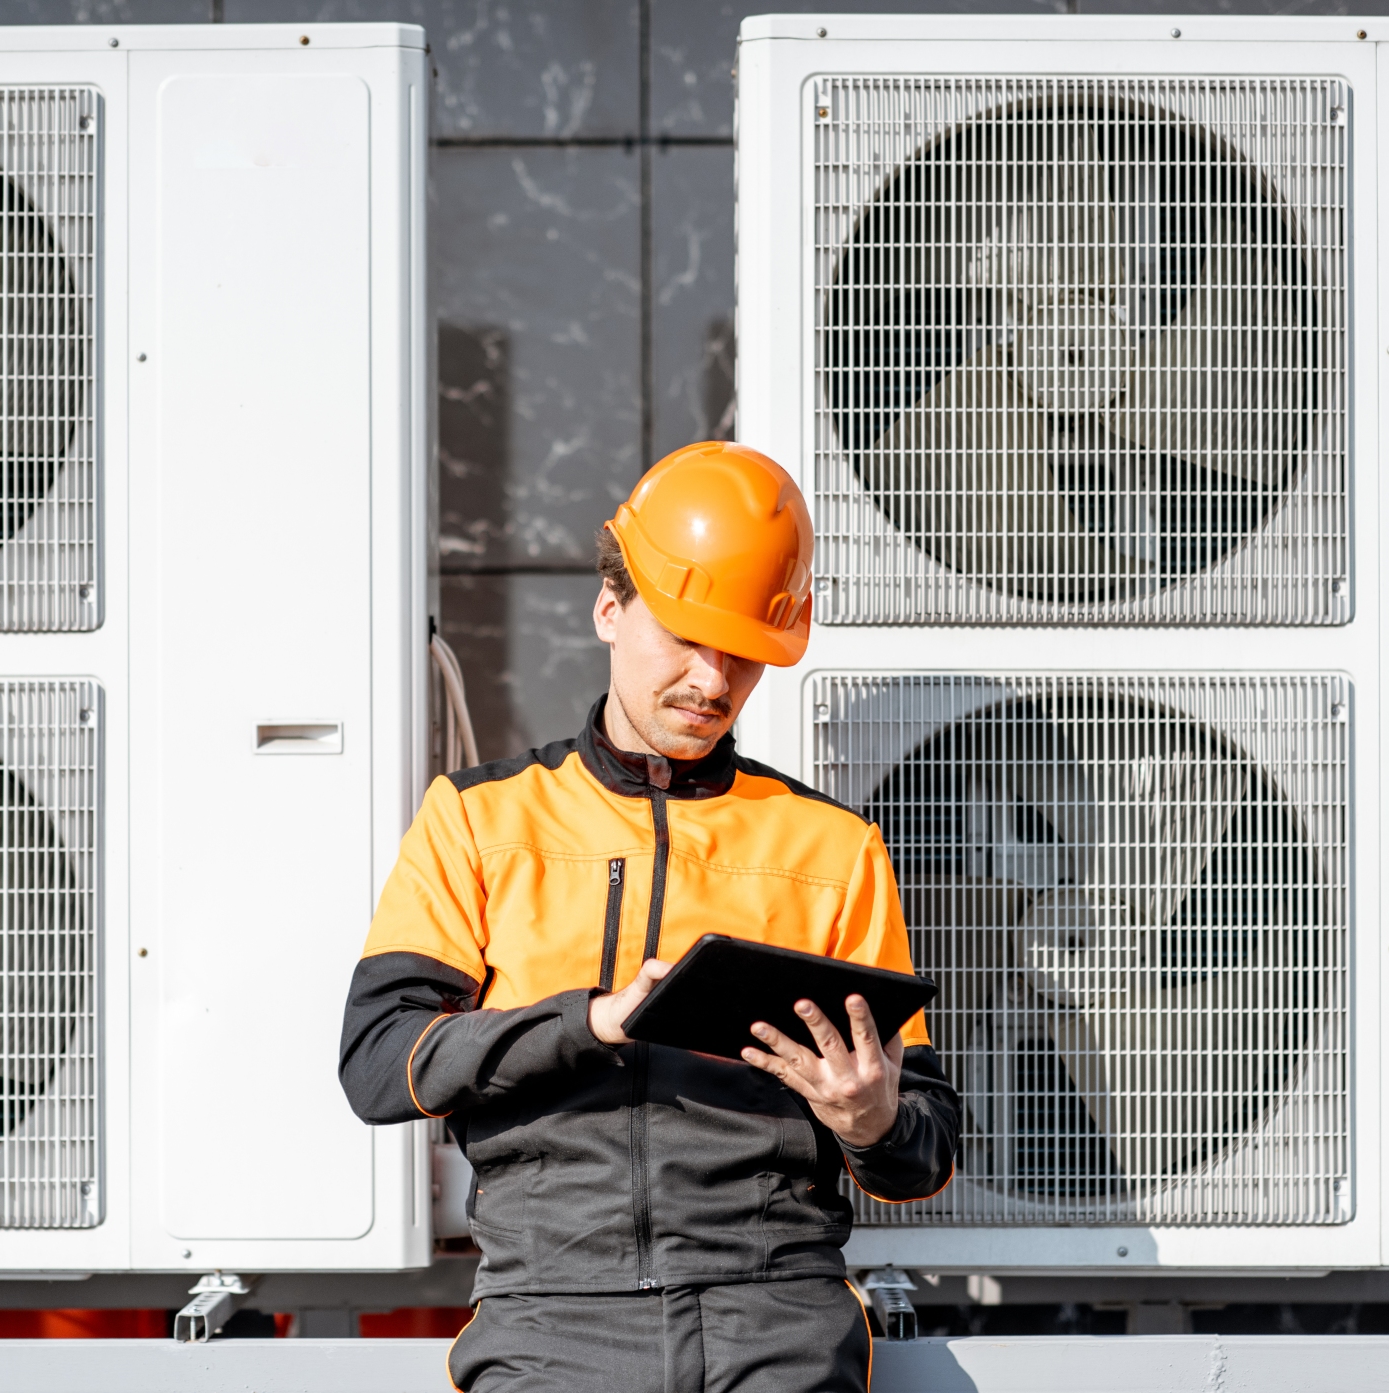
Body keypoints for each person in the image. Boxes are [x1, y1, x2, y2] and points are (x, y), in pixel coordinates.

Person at [339, 442, 961, 1392]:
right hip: (552, 1320)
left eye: (743, 652)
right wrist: (587, 1021)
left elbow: (920, 1154)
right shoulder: (477, 819)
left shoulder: (833, 848)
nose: (713, 682)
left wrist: (873, 1119)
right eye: (685, 637)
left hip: (778, 1323)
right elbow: (380, 1063)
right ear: (608, 608)